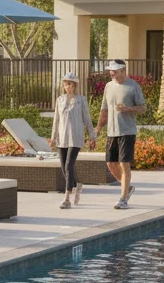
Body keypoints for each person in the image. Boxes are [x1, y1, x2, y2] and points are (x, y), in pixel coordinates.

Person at [95, 59, 147, 210]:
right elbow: (104, 109)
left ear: (123, 71)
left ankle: (123, 198)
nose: (112, 74)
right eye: (111, 71)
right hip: (112, 132)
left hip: (127, 131)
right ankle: (127, 187)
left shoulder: (133, 86)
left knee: (124, 164)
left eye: (115, 71)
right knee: (111, 164)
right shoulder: (108, 86)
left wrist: (128, 109)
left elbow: (143, 108)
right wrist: (98, 128)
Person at [50, 71, 97, 210]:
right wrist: (53, 138)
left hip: (76, 137)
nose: (67, 86)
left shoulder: (81, 100)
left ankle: (66, 198)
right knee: (64, 167)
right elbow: (56, 120)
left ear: (74, 85)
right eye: (65, 84)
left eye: (69, 84)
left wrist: (92, 137)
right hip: (62, 137)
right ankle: (77, 185)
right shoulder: (59, 100)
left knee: (69, 165)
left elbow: (87, 119)